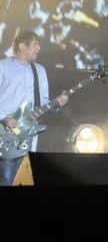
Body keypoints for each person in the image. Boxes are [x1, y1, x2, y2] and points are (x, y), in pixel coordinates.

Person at [0, 30, 68, 185]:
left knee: (24, 180)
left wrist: (56, 104)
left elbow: (43, 103)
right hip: (5, 134)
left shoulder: (40, 70)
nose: (39, 48)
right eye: (35, 44)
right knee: (6, 179)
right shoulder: (3, 67)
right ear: (22, 45)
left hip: (28, 135)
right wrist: (4, 118)